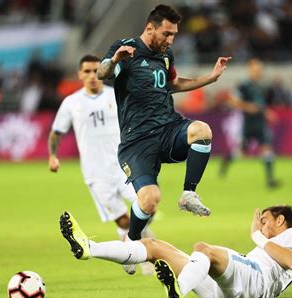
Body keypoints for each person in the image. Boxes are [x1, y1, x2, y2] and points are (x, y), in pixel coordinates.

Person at [97, 4, 232, 241]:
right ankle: (132, 240)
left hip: (168, 128)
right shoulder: (125, 48)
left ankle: (189, 194)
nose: (170, 40)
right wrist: (115, 58)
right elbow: (102, 73)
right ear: (150, 28)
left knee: (202, 130)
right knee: (150, 199)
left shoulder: (166, 55)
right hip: (137, 140)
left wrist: (210, 78)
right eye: (166, 34)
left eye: (173, 35)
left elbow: (174, 84)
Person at [59, 205, 292, 298]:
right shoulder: (271, 244)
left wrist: (257, 237)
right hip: (223, 293)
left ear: (281, 220)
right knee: (154, 247)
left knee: (204, 249)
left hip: (255, 279)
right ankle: (90, 248)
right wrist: (260, 239)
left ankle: (180, 287)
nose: (261, 226)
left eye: (265, 221)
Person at [48, 54, 154, 275]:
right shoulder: (71, 103)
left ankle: (134, 247)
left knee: (147, 205)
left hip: (125, 165)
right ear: (79, 74)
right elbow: (56, 133)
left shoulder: (116, 95)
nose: (92, 75)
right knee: (123, 218)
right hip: (96, 174)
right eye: (86, 71)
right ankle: (132, 252)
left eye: (96, 70)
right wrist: (52, 156)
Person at [219, 58, 280, 188]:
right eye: (255, 69)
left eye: (260, 69)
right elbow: (232, 102)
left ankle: (270, 180)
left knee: (267, 148)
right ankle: (226, 161)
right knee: (242, 151)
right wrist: (248, 107)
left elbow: (261, 105)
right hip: (248, 124)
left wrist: (267, 112)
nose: (258, 72)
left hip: (261, 123)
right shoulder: (243, 85)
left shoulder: (263, 86)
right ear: (250, 70)